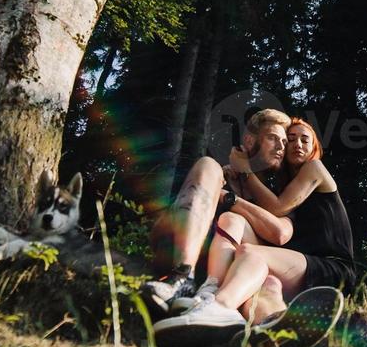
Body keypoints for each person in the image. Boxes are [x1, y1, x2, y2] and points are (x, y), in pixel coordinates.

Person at [152, 117, 356, 336]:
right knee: (260, 274)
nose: (296, 144)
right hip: (295, 267)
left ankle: (218, 305)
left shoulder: (313, 168)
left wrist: (243, 173)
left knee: (249, 254)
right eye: (291, 140)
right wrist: (235, 183)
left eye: (305, 140)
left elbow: (278, 212)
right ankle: (268, 327)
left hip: (332, 266)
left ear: (315, 147)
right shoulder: (283, 186)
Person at [139, 108, 292, 318]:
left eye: (284, 142)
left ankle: (272, 333)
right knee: (207, 164)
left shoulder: (280, 197)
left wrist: (232, 195)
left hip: (240, 278)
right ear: (249, 141)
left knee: (267, 280)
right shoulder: (220, 176)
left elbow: (280, 233)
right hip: (190, 255)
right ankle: (182, 277)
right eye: (273, 138)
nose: (280, 147)